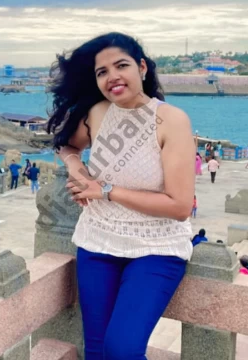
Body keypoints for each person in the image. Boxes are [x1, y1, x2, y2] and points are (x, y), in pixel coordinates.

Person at [46, 32, 194, 360]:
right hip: (97, 241)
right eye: (102, 72)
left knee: (122, 349)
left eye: (121, 65)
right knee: (96, 350)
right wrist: (76, 167)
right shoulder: (97, 113)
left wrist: (106, 191)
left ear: (142, 68)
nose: (112, 76)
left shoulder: (171, 120)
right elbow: (66, 145)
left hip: (157, 247)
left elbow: (180, 205)